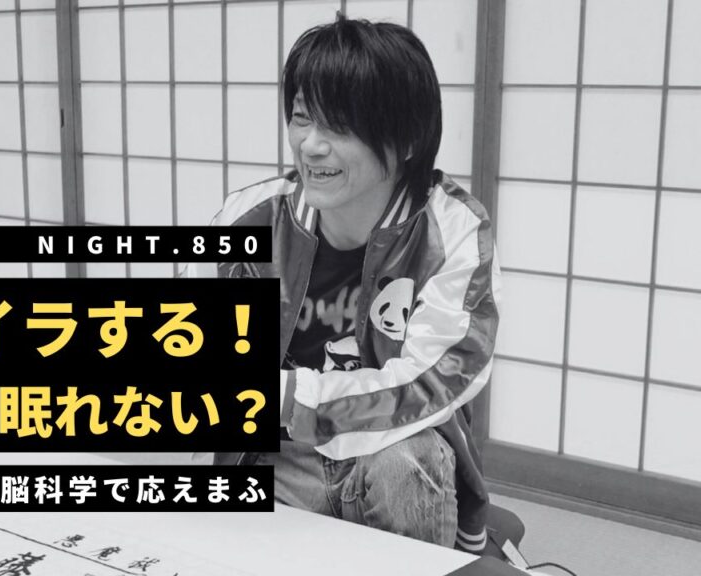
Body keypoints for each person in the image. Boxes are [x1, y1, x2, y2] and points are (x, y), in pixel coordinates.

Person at [192, 16, 500, 556]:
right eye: (301, 118)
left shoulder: (451, 232)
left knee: (408, 461)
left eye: (338, 126)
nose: (310, 146)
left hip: (388, 458)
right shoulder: (251, 218)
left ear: (406, 139)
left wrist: (288, 397)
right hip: (278, 461)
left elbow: (431, 383)